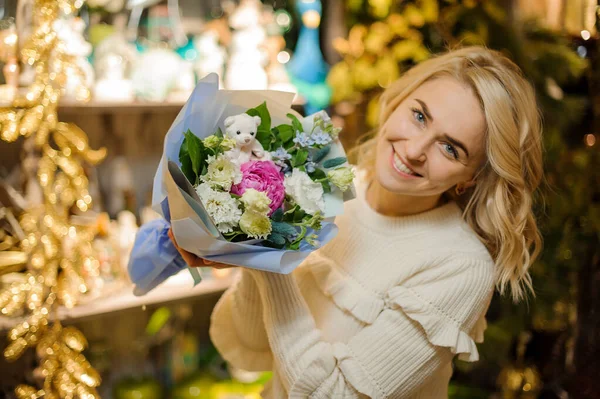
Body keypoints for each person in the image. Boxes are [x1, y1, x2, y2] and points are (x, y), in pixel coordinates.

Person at [169, 46, 543, 398]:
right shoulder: (322, 187)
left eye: (450, 148)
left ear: (471, 178)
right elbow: (249, 347)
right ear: (396, 102)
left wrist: (271, 257)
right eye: (419, 116)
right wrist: (246, 245)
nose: (413, 151)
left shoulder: (460, 265)